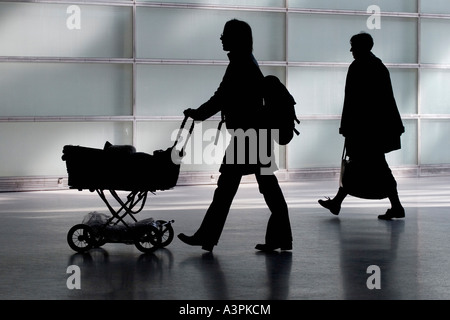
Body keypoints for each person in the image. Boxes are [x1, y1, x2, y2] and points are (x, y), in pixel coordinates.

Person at [177, 19, 293, 252]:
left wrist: (198, 114)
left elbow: (221, 97)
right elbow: (224, 97)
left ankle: (207, 237)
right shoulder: (246, 61)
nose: (221, 38)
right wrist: (200, 114)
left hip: (248, 136)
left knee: (229, 189)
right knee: (263, 188)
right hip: (255, 134)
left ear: (236, 37)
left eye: (225, 34)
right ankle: (280, 238)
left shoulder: (240, 63)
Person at [318, 32, 405, 220]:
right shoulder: (377, 66)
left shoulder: (359, 67)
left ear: (361, 47)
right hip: (375, 130)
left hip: (363, 130)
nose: (351, 50)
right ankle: (338, 202)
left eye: (353, 46)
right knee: (371, 166)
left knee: (366, 167)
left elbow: (352, 102)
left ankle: (395, 206)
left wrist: (347, 127)